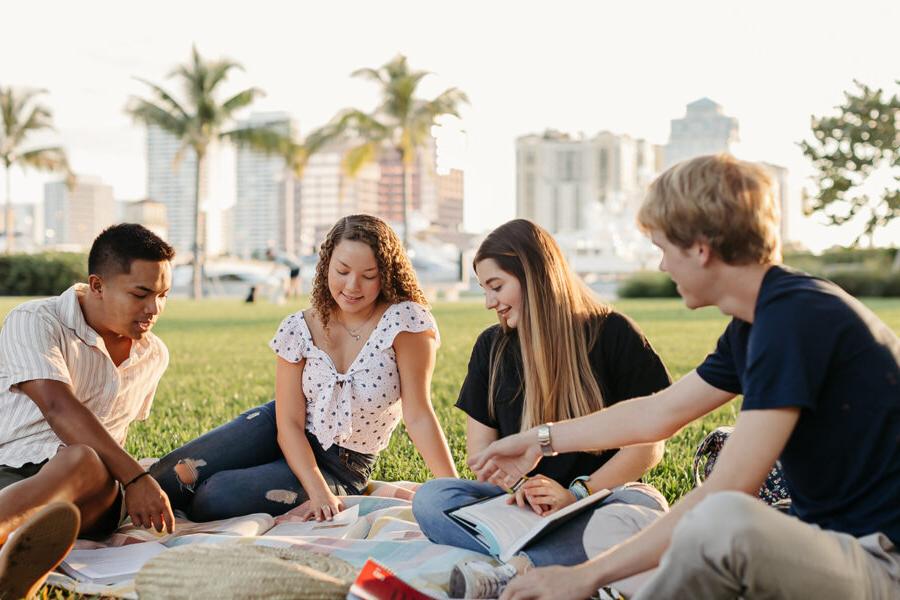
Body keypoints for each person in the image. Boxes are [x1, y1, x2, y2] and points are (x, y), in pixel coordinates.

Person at [470, 155, 900, 600]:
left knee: (722, 521)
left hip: (881, 562)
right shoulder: (757, 323)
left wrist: (585, 577)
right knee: (629, 536)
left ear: (699, 247)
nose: (662, 267)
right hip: (827, 544)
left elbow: (729, 489)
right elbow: (659, 412)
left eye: (662, 249)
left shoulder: (794, 319)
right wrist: (540, 440)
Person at [411, 219, 672, 598]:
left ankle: (515, 570)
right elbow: (482, 459)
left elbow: (649, 445)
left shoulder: (613, 333)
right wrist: (520, 488)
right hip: (521, 510)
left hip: (597, 500)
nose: (489, 302)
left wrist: (577, 494)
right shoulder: (491, 347)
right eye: (485, 290)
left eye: (496, 287)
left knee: (641, 503)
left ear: (533, 275)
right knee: (432, 499)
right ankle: (563, 557)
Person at [151, 215, 458, 522]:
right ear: (326, 266)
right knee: (174, 474)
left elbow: (418, 415)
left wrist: (455, 492)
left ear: (387, 274)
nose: (352, 286)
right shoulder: (298, 328)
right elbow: (288, 424)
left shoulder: (405, 323)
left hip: (342, 465)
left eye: (369, 275)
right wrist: (314, 488)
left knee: (213, 497)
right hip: (276, 429)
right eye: (342, 271)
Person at [0, 224, 176, 598]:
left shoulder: (153, 353)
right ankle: (18, 547)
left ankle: (14, 536)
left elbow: (116, 433)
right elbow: (56, 406)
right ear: (97, 286)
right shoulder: (36, 320)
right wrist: (136, 477)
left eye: (163, 295)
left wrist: (128, 479)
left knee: (83, 459)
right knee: (79, 456)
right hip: (13, 478)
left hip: (95, 494)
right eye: (141, 294)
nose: (154, 309)